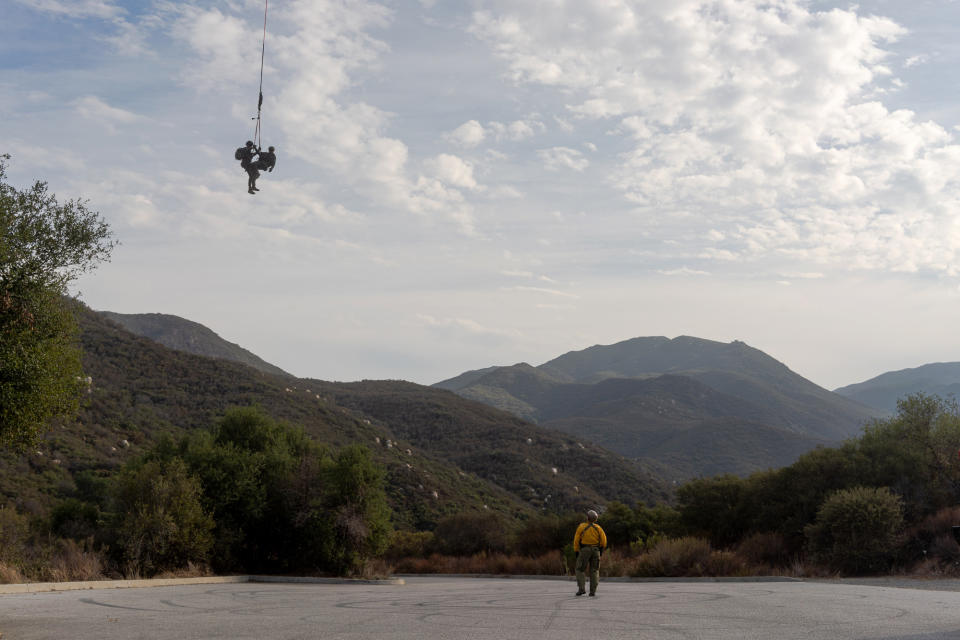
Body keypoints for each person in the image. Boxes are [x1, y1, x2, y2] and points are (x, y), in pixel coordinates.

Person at [573, 509, 607, 597]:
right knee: (594, 570)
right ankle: (593, 592)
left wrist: (576, 551)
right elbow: (604, 541)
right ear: (596, 519)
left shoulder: (581, 526)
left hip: (585, 550)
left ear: (587, 518)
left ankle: (581, 589)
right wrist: (601, 551)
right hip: (596, 550)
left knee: (579, 569)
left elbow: (576, 540)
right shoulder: (598, 528)